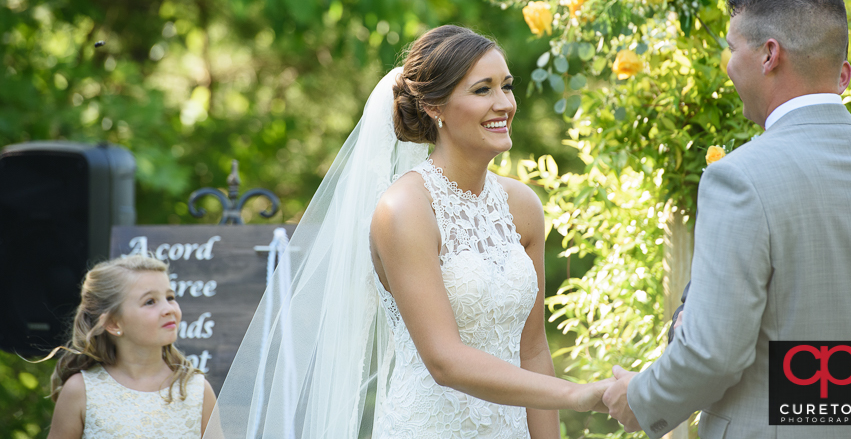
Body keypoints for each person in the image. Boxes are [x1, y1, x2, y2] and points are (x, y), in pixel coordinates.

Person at [204, 25, 610, 439]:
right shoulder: (404, 209)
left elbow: (534, 349)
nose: (504, 103)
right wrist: (575, 395)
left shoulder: (522, 206)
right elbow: (445, 361)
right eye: (482, 90)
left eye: (506, 86)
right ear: (436, 106)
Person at [603, 0, 851, 438]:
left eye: (733, 49)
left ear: (769, 54)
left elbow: (713, 353)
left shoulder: (740, 177)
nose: (729, 65)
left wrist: (641, 398)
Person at [46, 255, 217, 439]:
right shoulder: (80, 391)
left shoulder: (197, 391)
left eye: (170, 297)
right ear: (114, 324)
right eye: (150, 301)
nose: (169, 309)